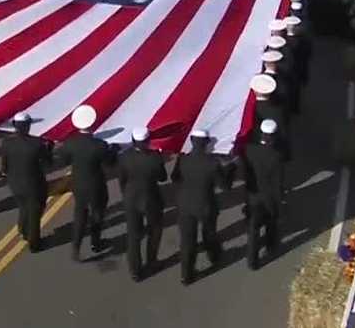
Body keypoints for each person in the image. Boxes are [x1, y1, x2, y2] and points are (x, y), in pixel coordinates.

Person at [171, 127, 234, 285]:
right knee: (209, 234)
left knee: (187, 241)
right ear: (206, 143)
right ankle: (214, 257)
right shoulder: (212, 163)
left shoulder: (183, 158)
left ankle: (186, 275)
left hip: (185, 204)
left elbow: (175, 178)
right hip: (206, 204)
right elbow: (225, 186)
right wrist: (231, 168)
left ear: (192, 142)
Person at [58, 104, 114, 261]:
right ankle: (95, 243)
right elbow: (110, 163)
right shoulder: (100, 145)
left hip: (78, 183)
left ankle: (76, 247)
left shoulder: (70, 143)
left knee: (80, 215)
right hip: (96, 184)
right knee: (97, 214)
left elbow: (63, 160)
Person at [117, 126, 167, 282]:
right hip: (151, 198)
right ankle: (152, 261)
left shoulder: (124, 157)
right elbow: (162, 178)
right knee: (154, 230)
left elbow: (122, 179)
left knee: (133, 235)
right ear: (148, 140)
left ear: (132, 141)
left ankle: (135, 271)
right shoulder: (154, 157)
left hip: (131, 198)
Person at [1, 111, 53, 251]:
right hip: (34, 185)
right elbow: (48, 163)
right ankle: (34, 243)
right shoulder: (37, 143)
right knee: (34, 213)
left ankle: (23, 231)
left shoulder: (7, 143)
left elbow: (4, 164)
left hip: (15, 184)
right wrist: (49, 149)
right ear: (28, 126)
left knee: (23, 207)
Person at [243, 118, 285, 270]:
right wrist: (280, 201)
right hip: (269, 197)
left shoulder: (250, 150)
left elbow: (246, 172)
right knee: (270, 222)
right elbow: (278, 182)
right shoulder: (276, 156)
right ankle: (270, 244)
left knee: (253, 229)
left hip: (253, 195)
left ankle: (252, 261)